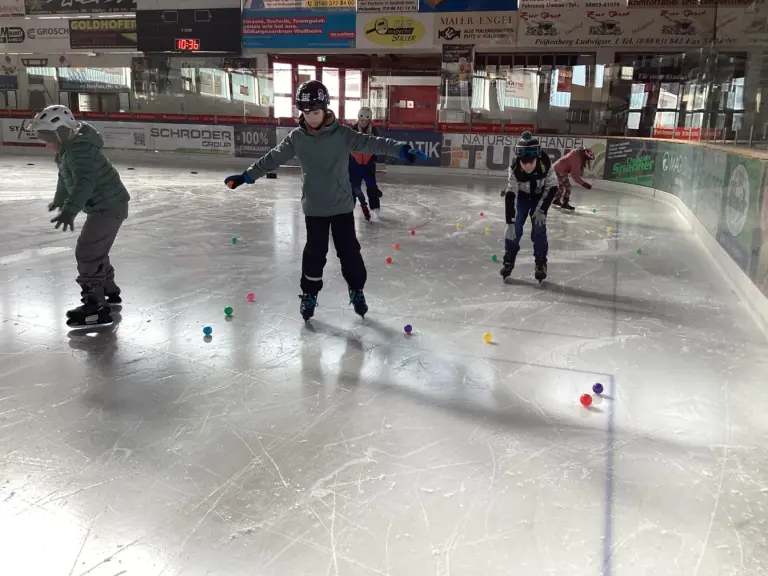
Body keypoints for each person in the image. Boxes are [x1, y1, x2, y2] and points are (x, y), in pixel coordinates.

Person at [224, 80, 426, 321]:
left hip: (341, 205)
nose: (310, 118)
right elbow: (273, 158)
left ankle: (357, 289)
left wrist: (402, 150)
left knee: (349, 251)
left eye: (315, 112)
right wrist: (247, 176)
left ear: (326, 109)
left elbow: (373, 143)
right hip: (315, 208)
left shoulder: (343, 135)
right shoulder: (296, 138)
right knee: (314, 253)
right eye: (306, 113)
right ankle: (309, 294)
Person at [30, 105, 130, 328]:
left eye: (47, 137)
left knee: (87, 251)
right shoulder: (69, 149)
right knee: (96, 250)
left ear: (62, 133)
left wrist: (70, 210)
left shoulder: (79, 151)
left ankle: (96, 305)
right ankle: (108, 292)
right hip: (107, 205)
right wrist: (59, 200)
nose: (45, 144)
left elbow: (85, 182)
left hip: (108, 207)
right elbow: (65, 178)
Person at [500, 131, 558, 283]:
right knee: (515, 228)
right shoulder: (514, 168)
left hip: (539, 197)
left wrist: (542, 210)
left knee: (539, 229)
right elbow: (510, 195)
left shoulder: (545, 164)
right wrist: (509, 221)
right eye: (523, 162)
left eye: (530, 162)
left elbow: (552, 187)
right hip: (523, 198)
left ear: (537, 158)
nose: (526, 166)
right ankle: (509, 259)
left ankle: (540, 262)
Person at [349, 106, 383, 219]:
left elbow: (378, 146)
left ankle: (375, 209)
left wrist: (375, 158)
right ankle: (348, 209)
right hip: (355, 165)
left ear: (370, 120)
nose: (363, 122)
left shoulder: (374, 131)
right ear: (358, 118)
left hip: (368, 164)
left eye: (366, 120)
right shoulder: (352, 130)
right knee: (353, 188)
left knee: (371, 186)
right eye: (361, 119)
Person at [552, 147, 595, 211]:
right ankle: (565, 204)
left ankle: (556, 200)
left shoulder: (576, 153)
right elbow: (575, 176)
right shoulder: (577, 160)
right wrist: (584, 184)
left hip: (556, 168)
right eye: (588, 159)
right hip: (560, 170)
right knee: (568, 187)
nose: (587, 161)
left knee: (561, 186)